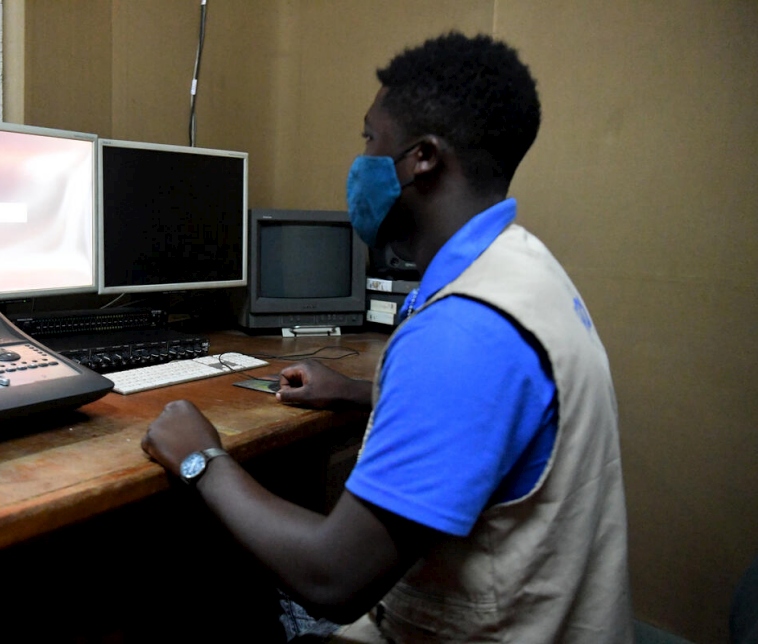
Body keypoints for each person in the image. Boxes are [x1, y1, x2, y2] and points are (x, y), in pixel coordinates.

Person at [142, 31, 634, 643]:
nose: (361, 163)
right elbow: (490, 417)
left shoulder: (464, 333)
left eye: (371, 140)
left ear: (421, 157)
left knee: (191, 581)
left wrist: (201, 457)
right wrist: (356, 392)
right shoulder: (521, 268)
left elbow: (332, 578)